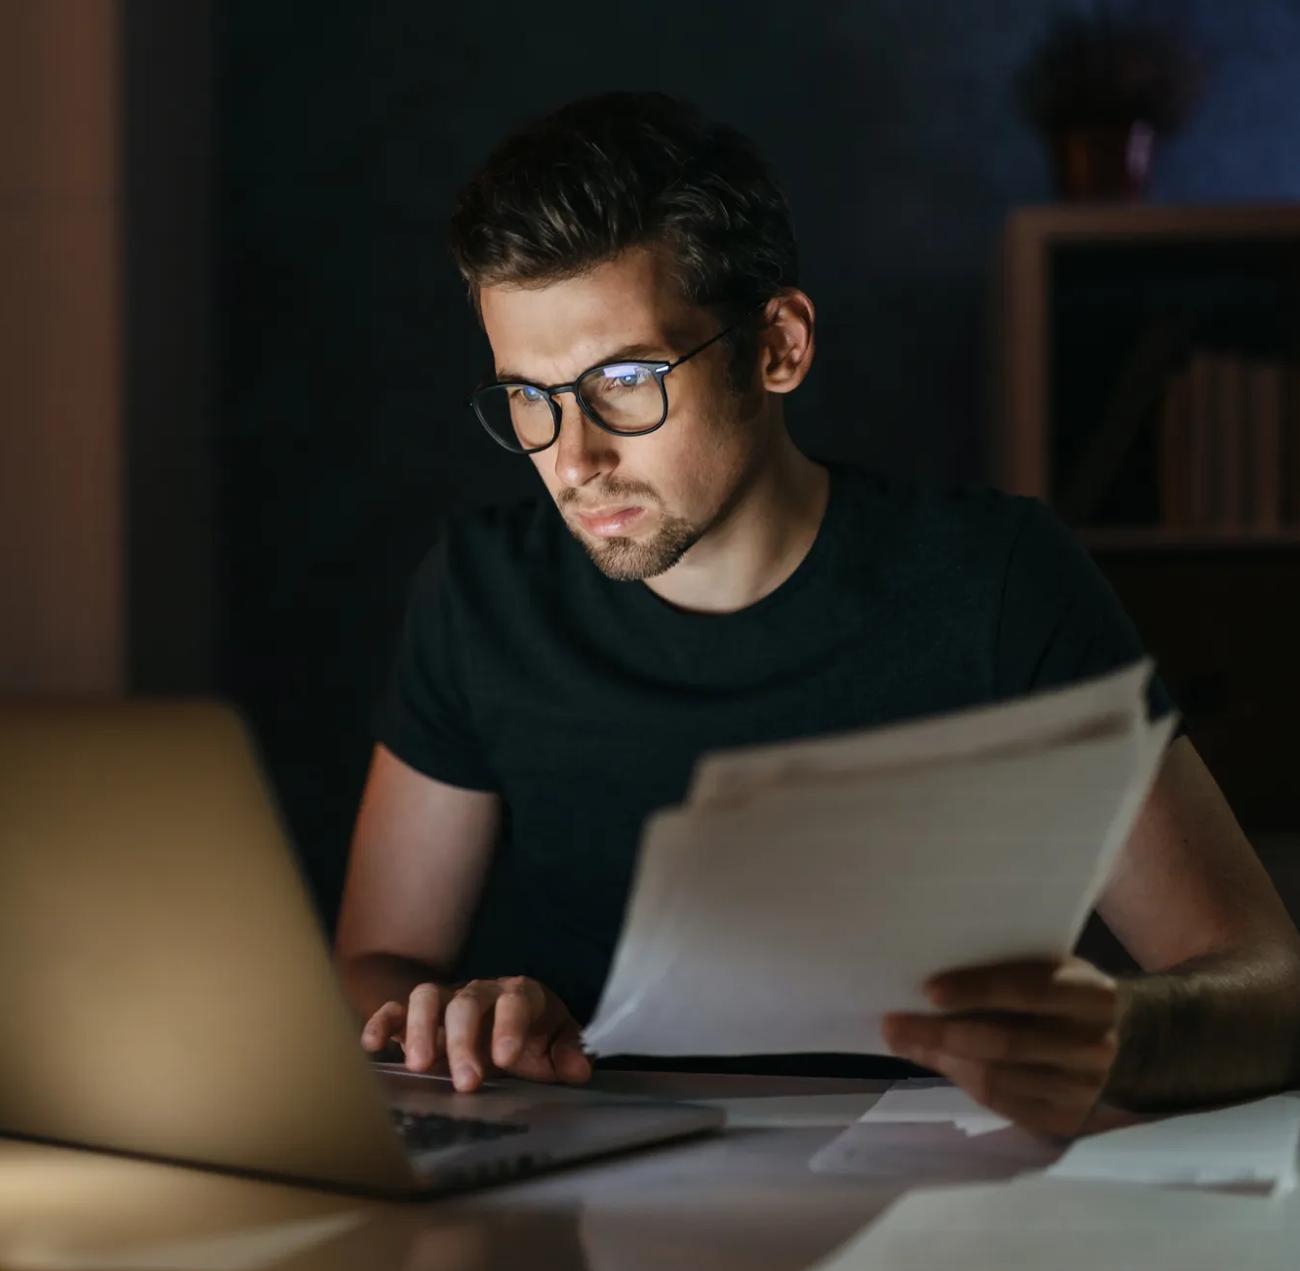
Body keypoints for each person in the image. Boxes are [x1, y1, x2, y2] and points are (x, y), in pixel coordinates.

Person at [334, 91, 1300, 1137]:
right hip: (572, 1199)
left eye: (626, 379)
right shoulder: (482, 592)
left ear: (778, 346)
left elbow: (1269, 989)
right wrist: (447, 1020)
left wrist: (1120, 1030)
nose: (572, 459)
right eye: (529, 395)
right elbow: (378, 963)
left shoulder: (995, 582)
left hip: (919, 1206)